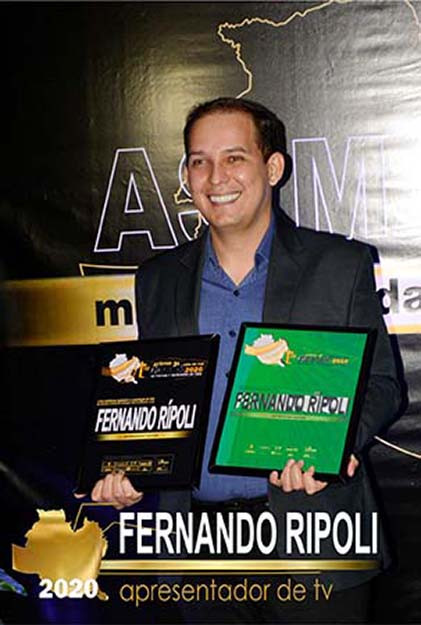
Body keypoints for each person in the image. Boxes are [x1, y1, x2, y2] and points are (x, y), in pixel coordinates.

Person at [88, 98, 401, 622]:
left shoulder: (339, 264)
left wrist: (341, 443)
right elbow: (157, 399)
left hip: (318, 536)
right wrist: (129, 471)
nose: (216, 178)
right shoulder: (157, 279)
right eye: (199, 161)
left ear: (273, 168)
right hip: (199, 547)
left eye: (234, 158)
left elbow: (384, 384)